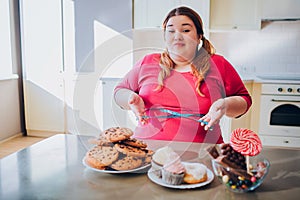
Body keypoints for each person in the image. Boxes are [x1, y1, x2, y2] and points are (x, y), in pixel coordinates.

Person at [114, 6, 252, 143]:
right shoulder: (148, 62)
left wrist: (226, 104)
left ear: (199, 37)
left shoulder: (218, 64)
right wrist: (129, 98)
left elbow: (244, 100)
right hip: (147, 151)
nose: (177, 36)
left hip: (203, 154)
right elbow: (119, 92)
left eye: (185, 30)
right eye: (171, 31)